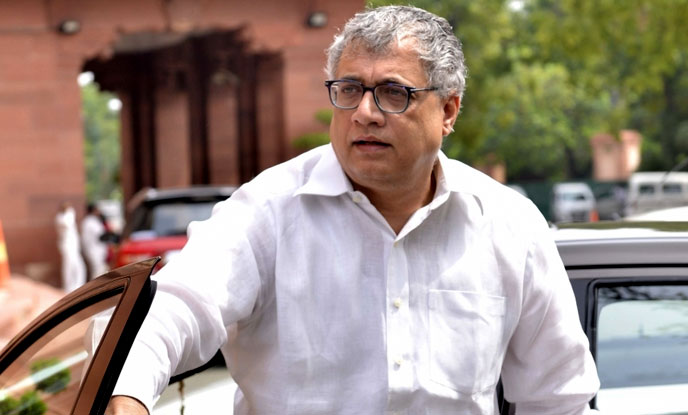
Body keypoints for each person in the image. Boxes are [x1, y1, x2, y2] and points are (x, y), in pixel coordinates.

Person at [107, 5, 599, 414]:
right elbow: (173, 308)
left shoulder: (508, 225)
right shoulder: (268, 212)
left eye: (392, 93)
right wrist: (127, 396)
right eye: (348, 90)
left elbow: (558, 396)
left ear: (448, 111)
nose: (364, 113)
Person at [55, 201, 86, 292]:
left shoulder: (68, 216)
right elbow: (67, 223)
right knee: (68, 265)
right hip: (66, 245)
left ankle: (78, 285)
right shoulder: (60, 218)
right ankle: (68, 287)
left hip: (74, 245)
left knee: (79, 266)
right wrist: (70, 213)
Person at [81, 202, 109, 280]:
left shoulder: (93, 220)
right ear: (94, 210)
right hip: (93, 250)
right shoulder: (90, 221)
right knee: (97, 272)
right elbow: (101, 235)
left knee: (99, 271)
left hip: (96, 250)